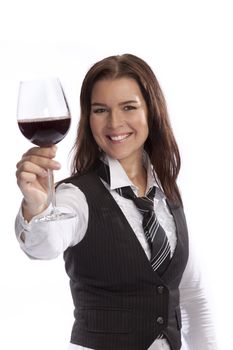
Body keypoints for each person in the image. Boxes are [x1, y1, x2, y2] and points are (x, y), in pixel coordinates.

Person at [15, 54, 217, 350]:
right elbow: (45, 245)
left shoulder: (167, 193)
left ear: (152, 111)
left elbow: (193, 295)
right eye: (100, 110)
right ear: (88, 118)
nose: (114, 122)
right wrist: (36, 208)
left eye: (129, 107)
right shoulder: (76, 196)